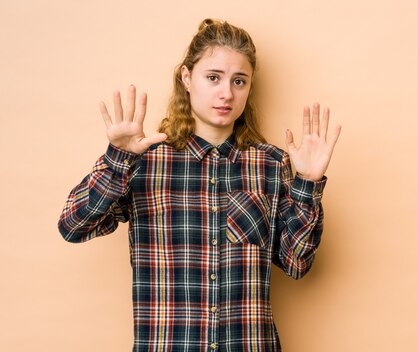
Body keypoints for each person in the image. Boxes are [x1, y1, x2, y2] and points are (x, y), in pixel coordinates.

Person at [58, 18, 341, 351]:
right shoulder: (145, 161)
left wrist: (307, 183)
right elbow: (73, 226)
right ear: (187, 78)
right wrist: (118, 157)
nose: (227, 93)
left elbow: (296, 264)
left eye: (239, 81)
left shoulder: (270, 164)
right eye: (213, 77)